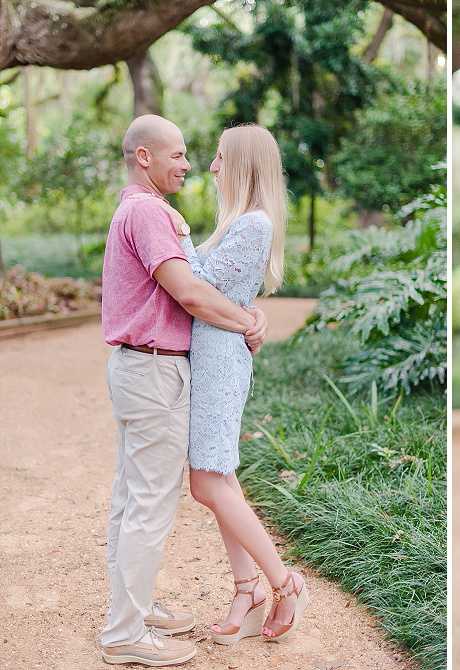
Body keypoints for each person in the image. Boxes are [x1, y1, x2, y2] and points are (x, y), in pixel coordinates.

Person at [101, 115, 268, 667]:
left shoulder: (139, 208)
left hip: (138, 368)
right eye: (176, 155)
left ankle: (135, 607)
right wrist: (246, 321)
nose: (188, 164)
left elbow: (197, 289)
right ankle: (126, 632)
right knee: (149, 503)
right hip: (154, 370)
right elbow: (191, 293)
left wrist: (245, 313)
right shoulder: (148, 211)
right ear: (144, 157)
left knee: (132, 498)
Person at [171, 125, 308, 646]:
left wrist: (179, 234)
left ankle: (283, 581)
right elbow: (223, 290)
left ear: (244, 165)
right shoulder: (240, 222)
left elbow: (200, 285)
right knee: (217, 477)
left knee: (206, 482)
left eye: (220, 158)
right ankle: (246, 588)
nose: (210, 167)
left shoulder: (253, 223)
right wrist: (252, 314)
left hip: (221, 362)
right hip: (215, 355)